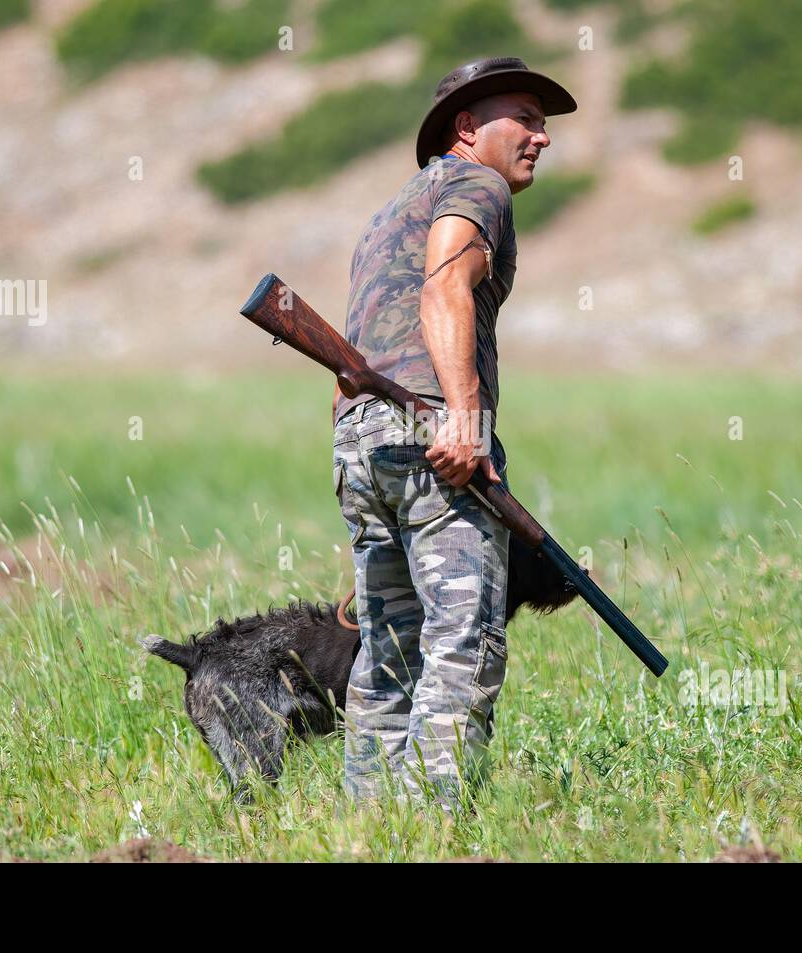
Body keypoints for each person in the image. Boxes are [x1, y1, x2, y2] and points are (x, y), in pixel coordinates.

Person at [331, 56, 576, 808]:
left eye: (543, 125)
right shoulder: (479, 186)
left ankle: (369, 828)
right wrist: (466, 420)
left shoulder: (388, 214)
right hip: (437, 436)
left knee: (388, 652)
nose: (541, 138)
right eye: (525, 119)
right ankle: (437, 830)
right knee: (462, 645)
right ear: (467, 128)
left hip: (362, 443)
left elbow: (352, 354)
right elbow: (445, 287)